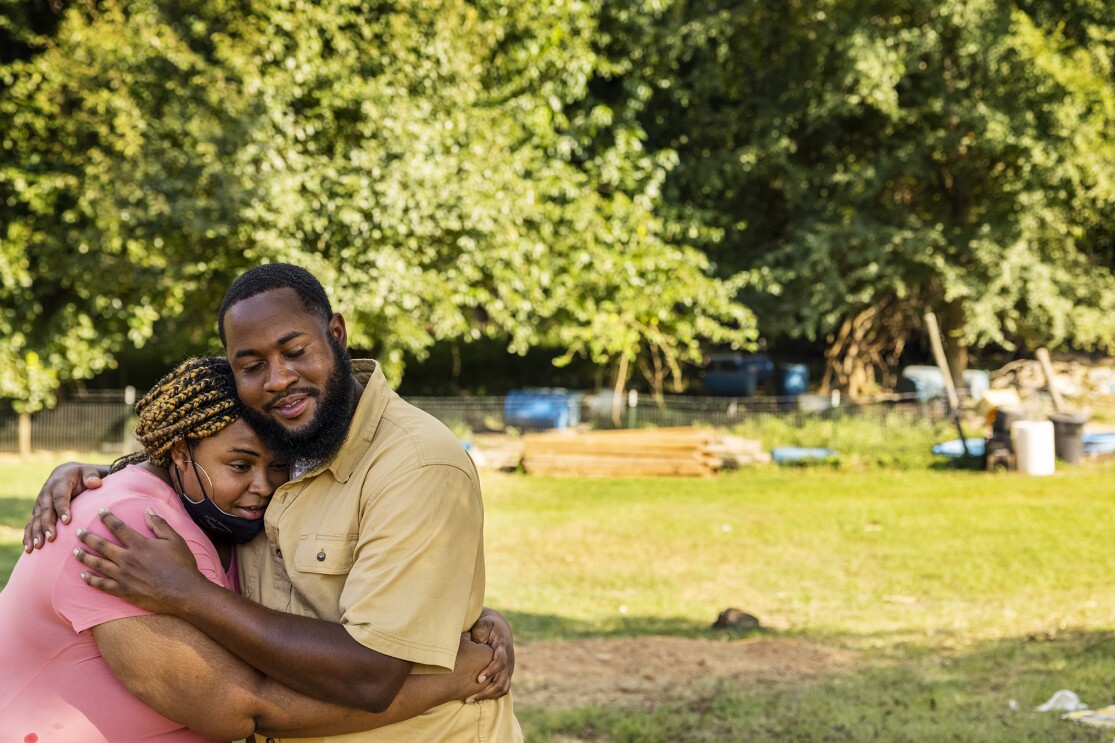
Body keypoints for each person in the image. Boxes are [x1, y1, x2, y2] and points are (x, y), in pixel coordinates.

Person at [29, 263, 523, 741]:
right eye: (252, 365)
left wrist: (189, 593)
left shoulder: (416, 465)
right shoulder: (283, 444)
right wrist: (91, 474)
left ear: (336, 333)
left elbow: (371, 675)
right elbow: (193, 460)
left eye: (295, 350)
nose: (278, 378)